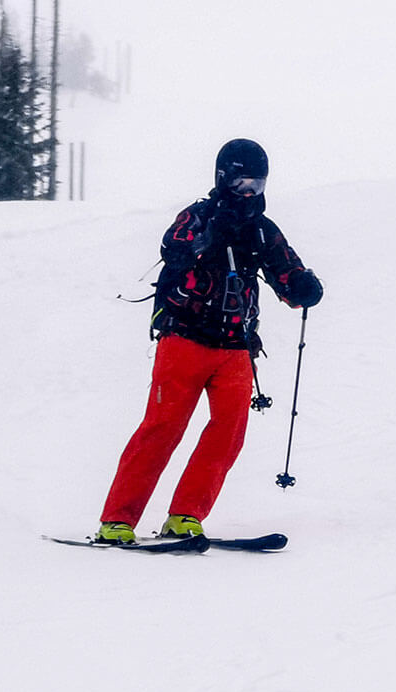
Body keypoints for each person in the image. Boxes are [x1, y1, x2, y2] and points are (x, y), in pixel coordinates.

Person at [96, 138, 323, 544]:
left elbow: (285, 272)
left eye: (257, 183)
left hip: (236, 347)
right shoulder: (198, 217)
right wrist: (209, 239)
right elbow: (172, 247)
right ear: (223, 179)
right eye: (241, 183)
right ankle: (117, 519)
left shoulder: (261, 231)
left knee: (228, 431)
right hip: (184, 339)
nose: (250, 192)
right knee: (163, 427)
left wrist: (303, 286)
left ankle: (185, 515)